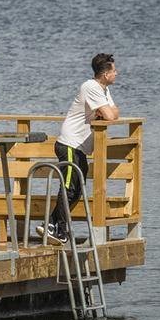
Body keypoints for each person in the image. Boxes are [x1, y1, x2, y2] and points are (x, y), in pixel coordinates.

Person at [38, 53, 119, 244]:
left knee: (77, 191)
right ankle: (60, 230)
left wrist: (107, 111)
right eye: (114, 71)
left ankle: (51, 225)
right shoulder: (90, 87)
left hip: (79, 147)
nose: (117, 73)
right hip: (69, 144)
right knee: (69, 187)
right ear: (106, 74)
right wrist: (105, 111)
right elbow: (108, 115)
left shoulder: (103, 90)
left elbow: (115, 113)